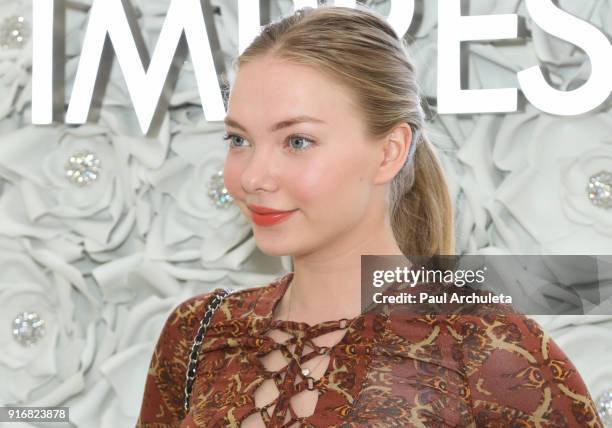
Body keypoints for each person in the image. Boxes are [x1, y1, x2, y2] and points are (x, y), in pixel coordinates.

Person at [136, 5, 603, 427]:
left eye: (297, 141)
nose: (254, 176)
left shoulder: (487, 346)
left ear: (389, 152)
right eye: (239, 140)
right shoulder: (200, 330)